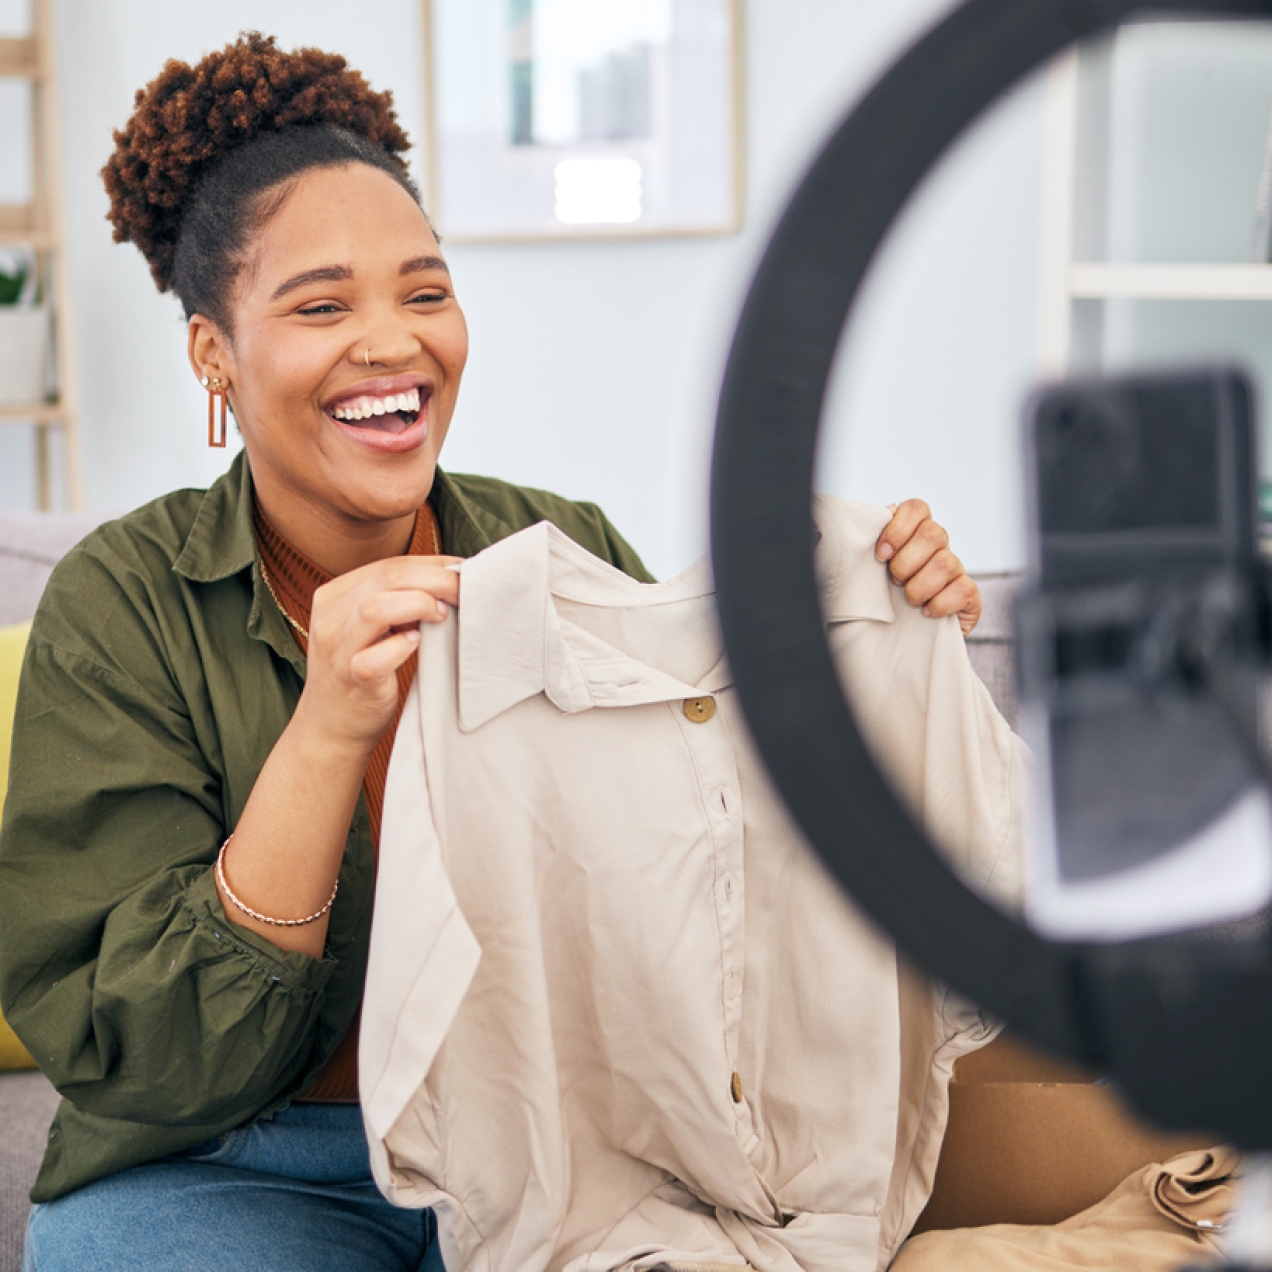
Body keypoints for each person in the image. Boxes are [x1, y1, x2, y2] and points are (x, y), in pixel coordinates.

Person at [0, 34, 983, 1272]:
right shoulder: (120, 606)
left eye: (425, 293)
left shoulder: (557, 543)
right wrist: (328, 728)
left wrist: (868, 637)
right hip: (231, 1166)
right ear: (214, 355)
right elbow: (140, 1052)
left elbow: (719, 861)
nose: (394, 343)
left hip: (560, 1149)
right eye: (320, 306)